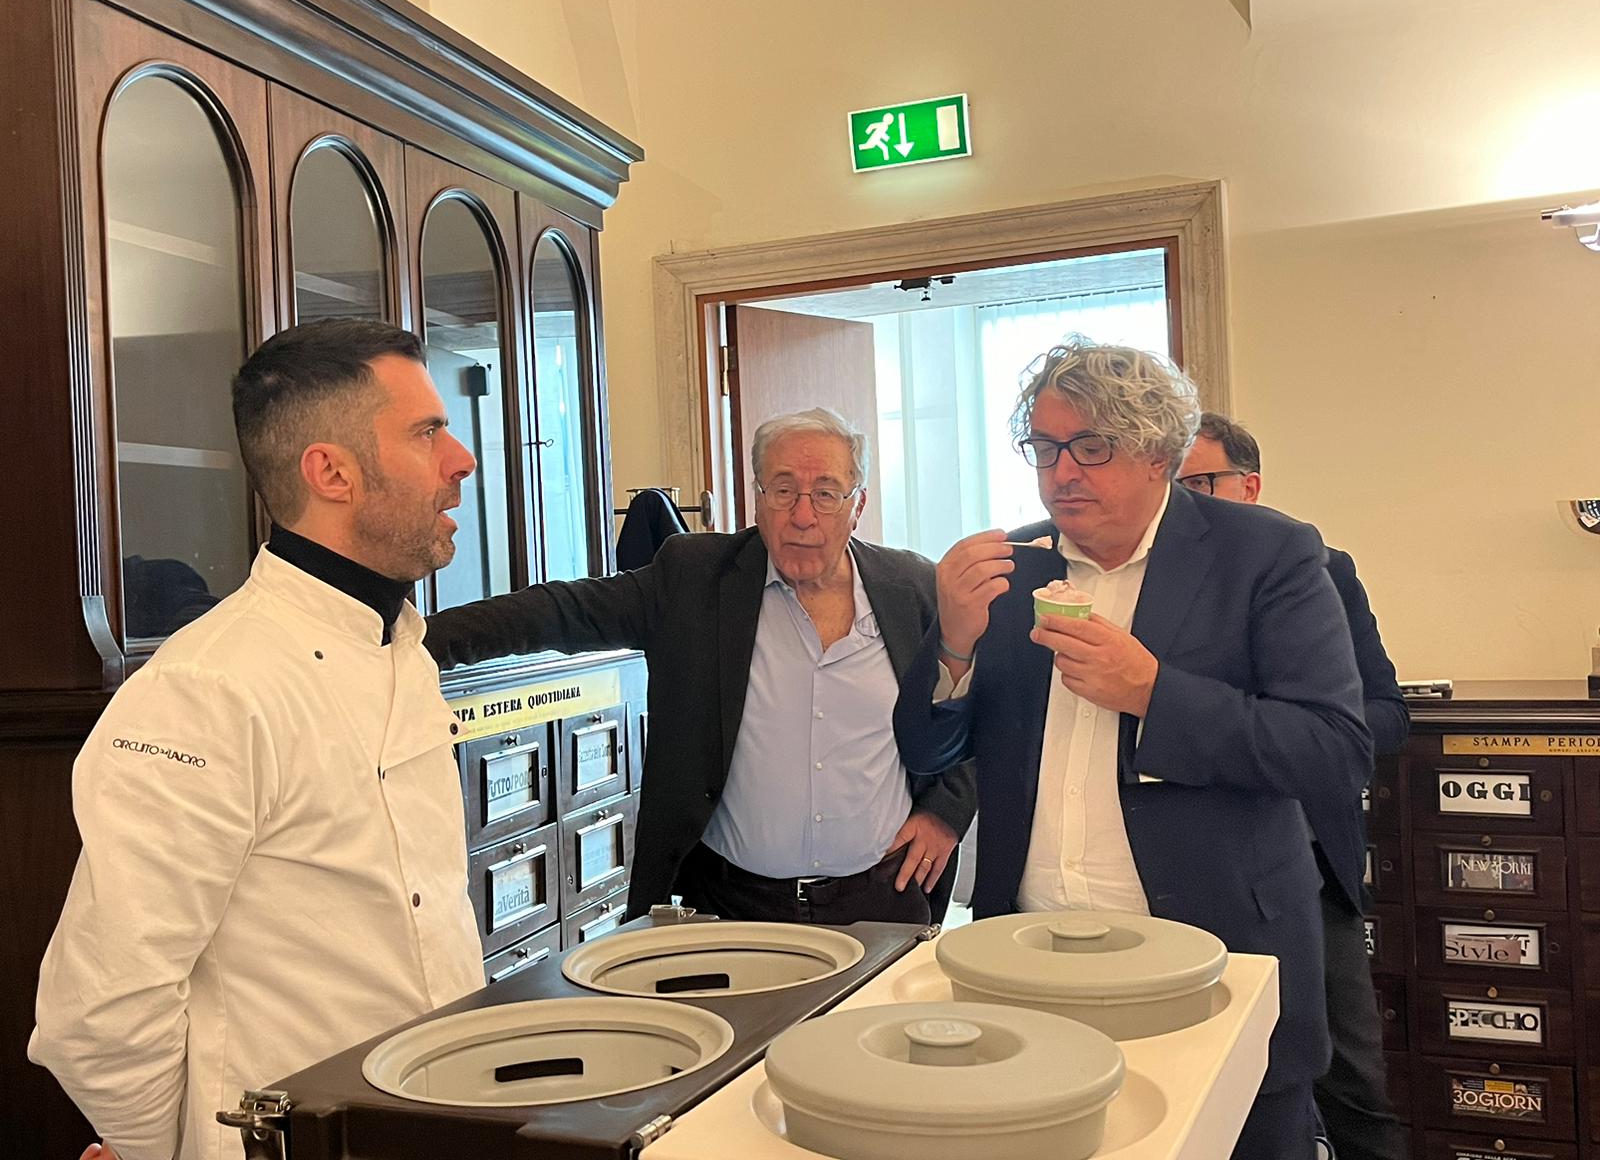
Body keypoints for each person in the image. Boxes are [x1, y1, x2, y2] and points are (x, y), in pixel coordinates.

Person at [894, 337, 1372, 1159]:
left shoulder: (1267, 554)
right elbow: (929, 750)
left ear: (1158, 454)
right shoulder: (1009, 570)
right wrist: (954, 648)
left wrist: (1154, 692)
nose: (1061, 473)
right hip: (1029, 962)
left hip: (1214, 959)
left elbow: (1331, 750)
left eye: (1091, 447)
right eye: (1045, 448)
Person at [30, 319, 485, 1160]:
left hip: (437, 1116)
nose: (461, 460)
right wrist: (161, 1154)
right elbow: (100, 1010)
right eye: (427, 432)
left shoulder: (403, 647)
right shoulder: (207, 690)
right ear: (331, 471)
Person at [426, 407, 977, 925]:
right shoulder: (695, 579)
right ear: (757, 499)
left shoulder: (915, 590)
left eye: (826, 494)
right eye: (783, 490)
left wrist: (946, 811)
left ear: (858, 505)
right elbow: (564, 611)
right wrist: (420, 641)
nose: (803, 515)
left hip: (880, 901)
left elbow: (981, 706)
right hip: (731, 907)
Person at [1178, 412, 1409, 1160]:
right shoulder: (1147, 589)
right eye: (1170, 484)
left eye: (1199, 482)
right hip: (1187, 864)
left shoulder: (1318, 568)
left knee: (1350, 1080)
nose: (1182, 500)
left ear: (1250, 486)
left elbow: (1385, 713)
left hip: (1307, 865)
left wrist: (1283, 733)